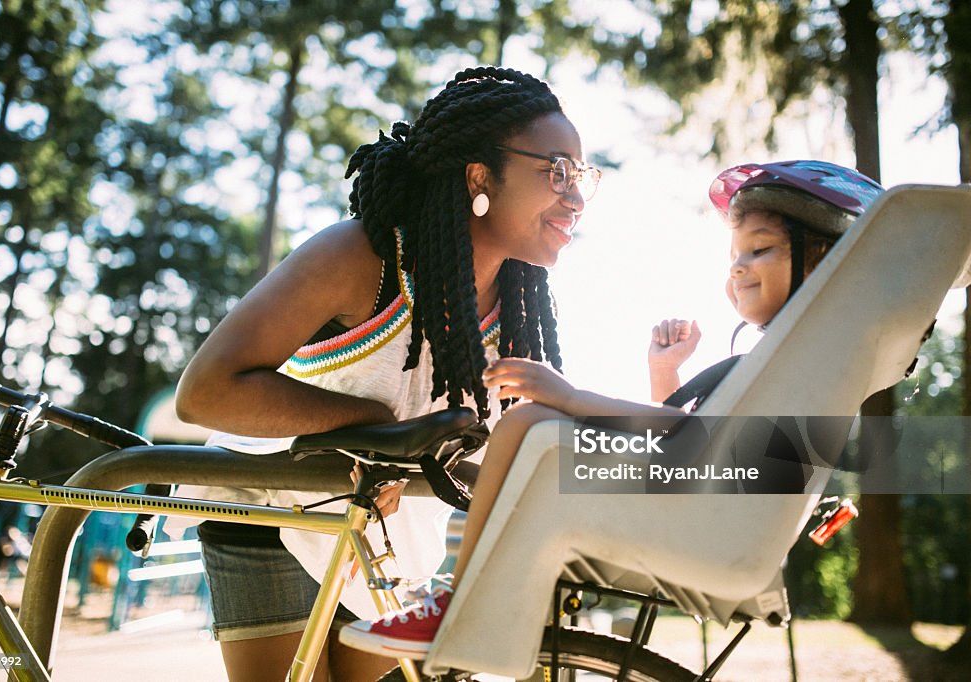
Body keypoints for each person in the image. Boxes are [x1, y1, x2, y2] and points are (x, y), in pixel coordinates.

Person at [337, 159, 885, 658]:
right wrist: (665, 373)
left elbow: (705, 438)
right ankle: (481, 602)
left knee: (529, 423)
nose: (739, 269)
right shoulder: (800, 355)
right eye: (735, 256)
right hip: (708, 517)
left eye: (760, 249)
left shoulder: (801, 358)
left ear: (824, 261)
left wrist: (571, 397)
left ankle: (466, 604)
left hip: (712, 526)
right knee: (533, 432)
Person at [171, 66, 602, 682]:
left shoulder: (521, 310)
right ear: (479, 175)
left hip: (388, 538)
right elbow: (206, 391)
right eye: (555, 170)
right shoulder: (360, 258)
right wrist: (365, 426)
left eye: (581, 175)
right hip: (276, 506)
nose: (576, 195)